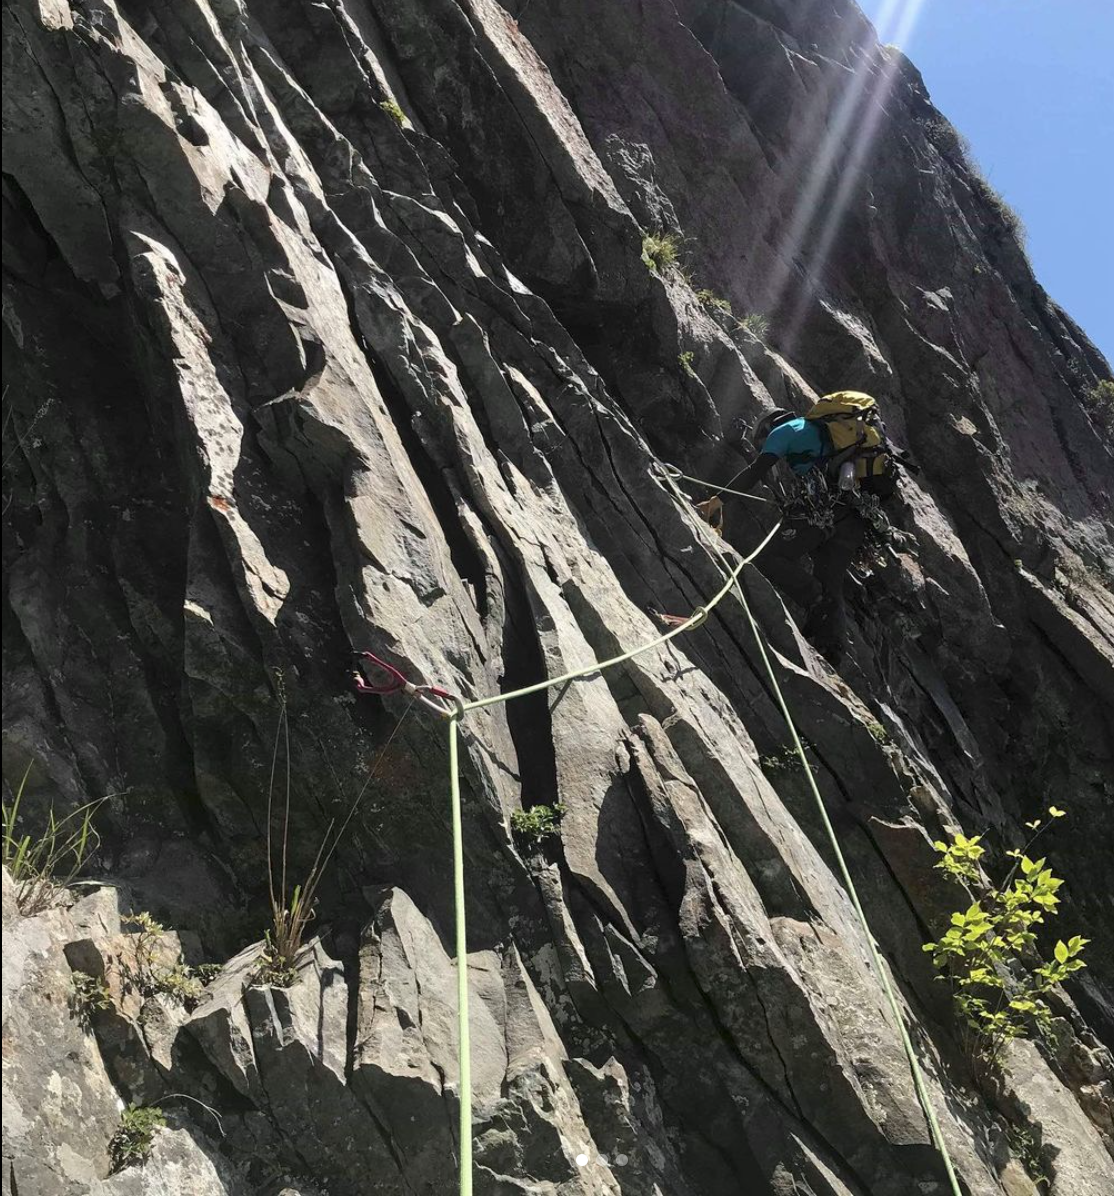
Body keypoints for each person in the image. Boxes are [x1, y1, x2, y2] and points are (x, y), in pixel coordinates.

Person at [728, 405, 899, 666]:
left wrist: (718, 498)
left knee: (771, 559)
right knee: (832, 582)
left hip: (824, 514)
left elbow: (761, 472)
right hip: (851, 520)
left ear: (768, 428)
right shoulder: (823, 438)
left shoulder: (789, 437)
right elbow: (777, 481)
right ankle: (832, 651)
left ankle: (814, 601)